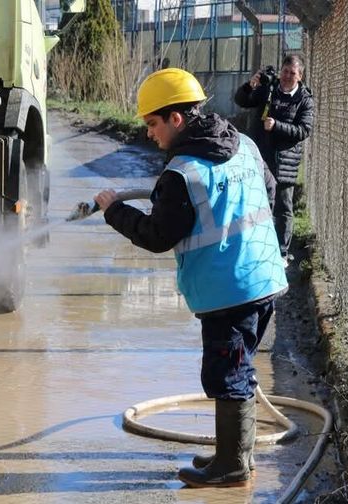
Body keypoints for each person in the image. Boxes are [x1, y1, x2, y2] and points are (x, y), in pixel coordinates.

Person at [94, 68, 288, 488]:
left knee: (226, 376)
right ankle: (234, 456)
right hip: (264, 277)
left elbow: (157, 236)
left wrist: (114, 211)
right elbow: (269, 192)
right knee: (239, 368)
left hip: (226, 291)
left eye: (152, 123)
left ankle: (232, 467)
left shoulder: (181, 173)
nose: (149, 133)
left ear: (176, 119)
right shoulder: (245, 144)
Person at [234, 54, 315, 266]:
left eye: (293, 73)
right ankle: (255, 247)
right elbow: (242, 101)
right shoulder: (269, 90)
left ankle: (281, 252)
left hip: (285, 162)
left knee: (283, 207)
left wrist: (277, 125)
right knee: (255, 203)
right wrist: (249, 86)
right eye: (285, 71)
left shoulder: (304, 100)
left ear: (300, 76)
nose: (287, 76)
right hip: (260, 156)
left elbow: (304, 130)